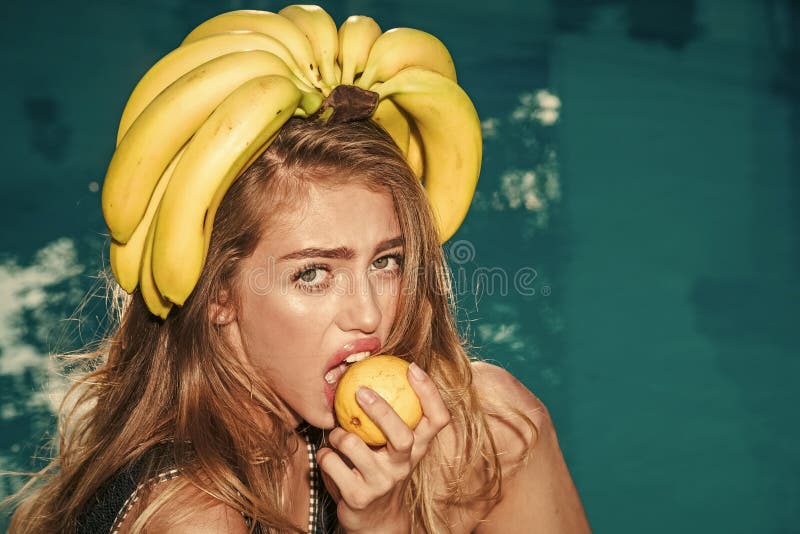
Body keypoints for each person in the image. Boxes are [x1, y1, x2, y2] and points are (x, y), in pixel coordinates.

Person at [7, 8, 591, 534]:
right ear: (219, 296)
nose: (369, 314)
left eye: (386, 262)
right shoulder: (192, 518)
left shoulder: (332, 429)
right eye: (313, 274)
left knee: (500, 421)